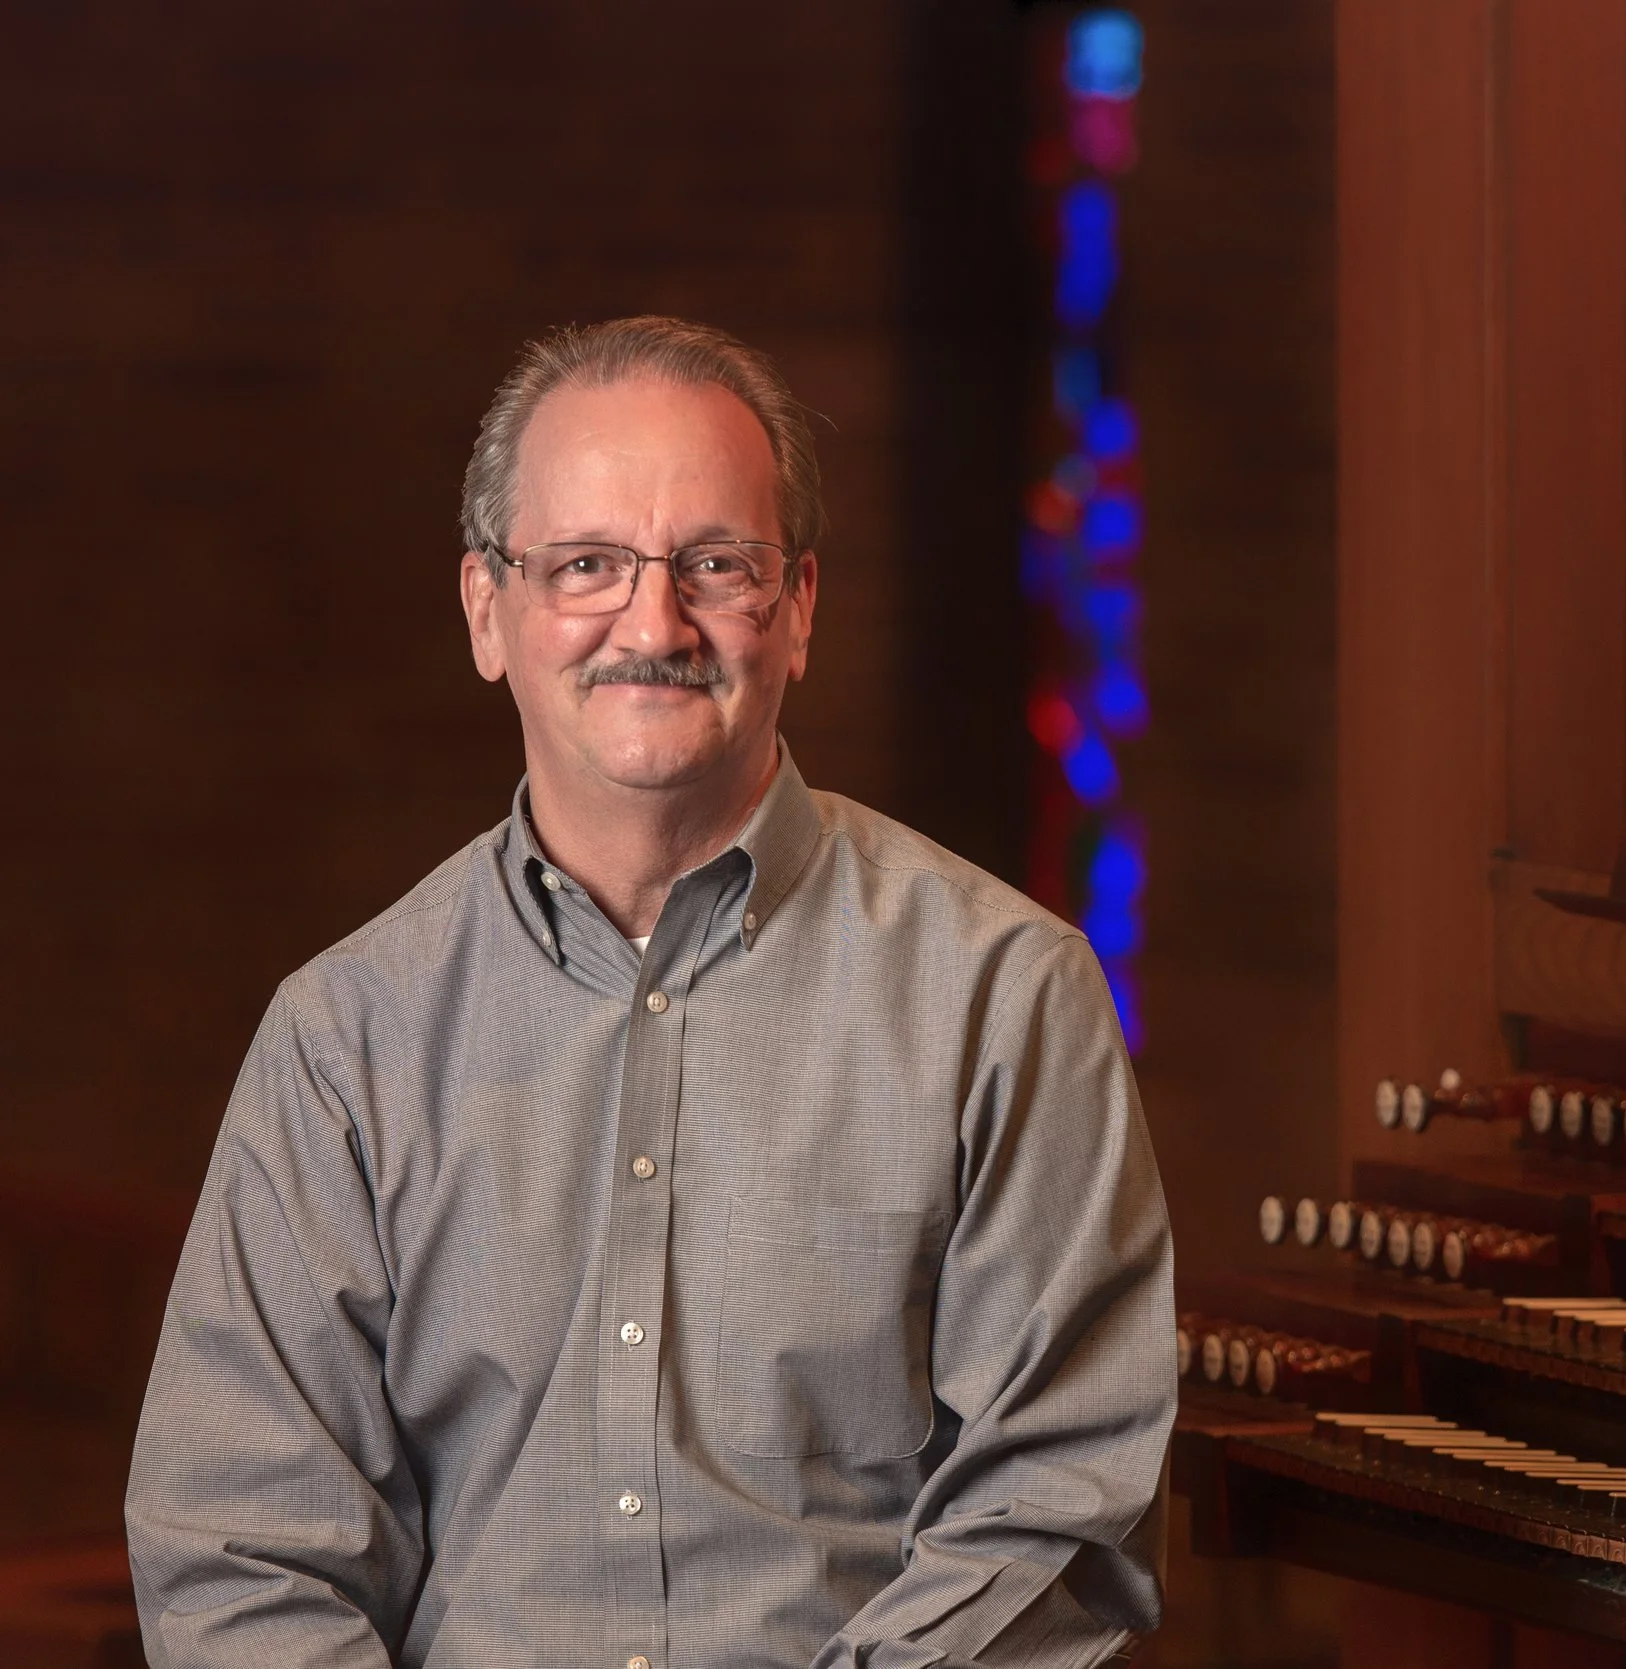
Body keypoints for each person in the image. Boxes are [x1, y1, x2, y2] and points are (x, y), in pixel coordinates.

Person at [124, 316, 1175, 1667]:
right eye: (586, 566)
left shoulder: (1004, 999)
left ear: (796, 610)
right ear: (487, 613)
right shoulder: (348, 1039)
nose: (653, 621)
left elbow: (1056, 1514)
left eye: (714, 566)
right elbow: (240, 1546)